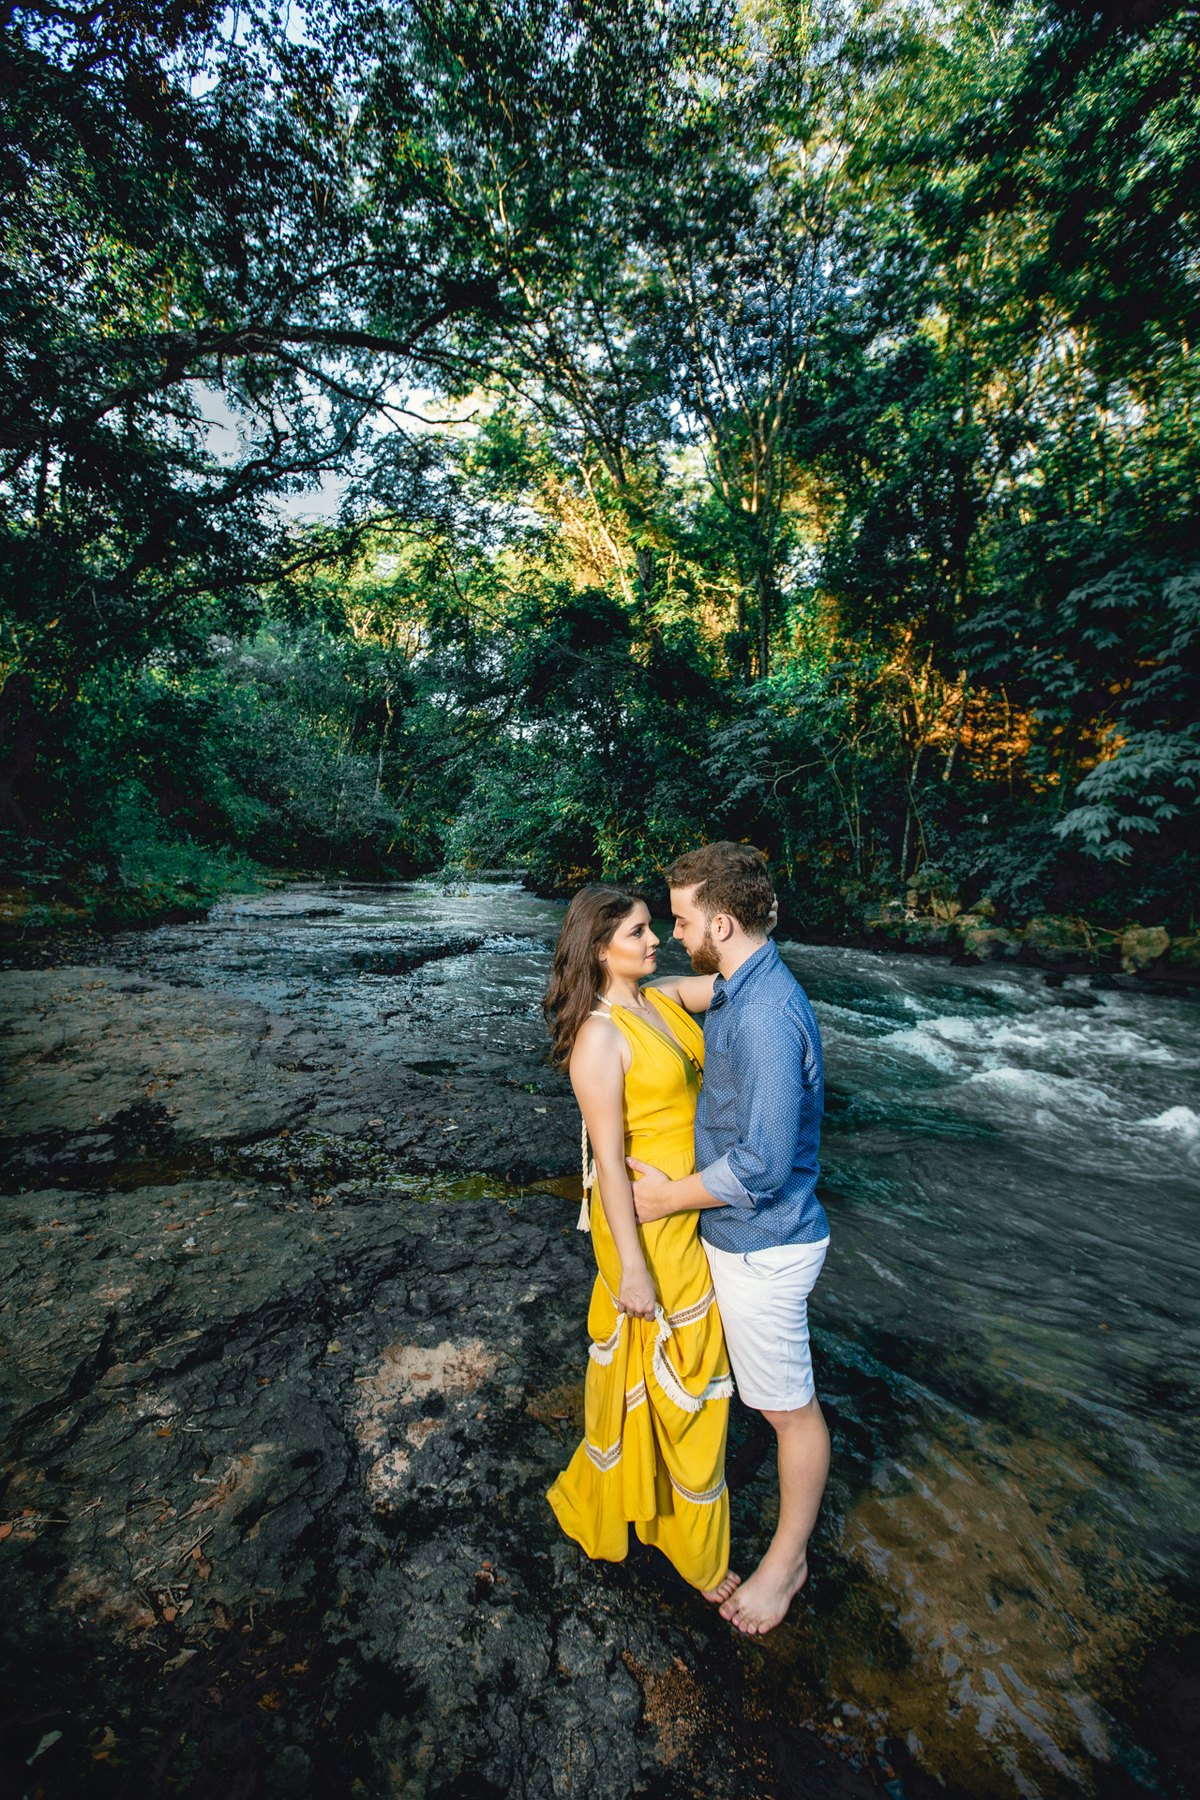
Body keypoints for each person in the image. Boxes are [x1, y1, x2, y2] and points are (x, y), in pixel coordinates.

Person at [629, 842, 830, 1636]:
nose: (673, 934)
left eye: (680, 920)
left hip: (764, 1241)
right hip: (741, 1237)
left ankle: (787, 1563)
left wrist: (663, 1200)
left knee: (788, 1411)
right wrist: (633, 998)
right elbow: (689, 988)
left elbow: (765, 1162)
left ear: (720, 920)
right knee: (761, 1396)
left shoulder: (771, 1018)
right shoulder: (741, 983)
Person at [543, 885, 740, 1604]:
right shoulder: (598, 1037)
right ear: (599, 949)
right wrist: (630, 1268)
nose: (655, 940)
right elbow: (607, 1169)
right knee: (691, 1376)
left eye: (656, 927)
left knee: (671, 1376)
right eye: (638, 931)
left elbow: (733, 980)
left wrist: (739, 921)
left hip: (688, 1205)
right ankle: (701, 1558)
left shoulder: (657, 1000)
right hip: (647, 1226)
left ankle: (654, 1515)